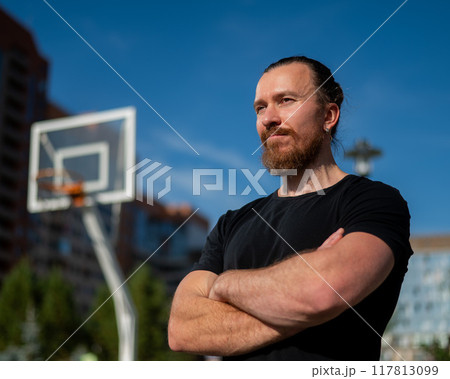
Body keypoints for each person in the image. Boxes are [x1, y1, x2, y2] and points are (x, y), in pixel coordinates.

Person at [168, 56, 413, 360]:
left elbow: (320, 294)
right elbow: (182, 330)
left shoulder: (372, 201)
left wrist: (223, 284)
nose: (268, 118)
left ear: (328, 115)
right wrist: (303, 307)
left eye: (285, 100)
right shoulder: (232, 223)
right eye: (260, 107)